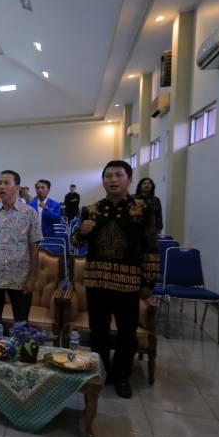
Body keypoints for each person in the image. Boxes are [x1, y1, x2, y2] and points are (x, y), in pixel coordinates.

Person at [72, 161, 159, 399]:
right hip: (96, 280)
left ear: (129, 179)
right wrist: (82, 232)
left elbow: (151, 246)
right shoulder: (92, 209)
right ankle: (99, 372)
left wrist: (148, 282)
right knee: (98, 331)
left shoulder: (142, 209)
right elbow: (76, 242)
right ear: (103, 181)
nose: (113, 180)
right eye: (108, 176)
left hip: (127, 282)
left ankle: (122, 377)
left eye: (118, 175)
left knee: (126, 333)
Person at [0, 170, 42, 335]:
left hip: (20, 277)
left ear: (17, 188)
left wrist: (33, 278)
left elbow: (35, 247)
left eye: (6, 183)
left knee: (21, 326)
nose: (1, 186)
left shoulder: (29, 213)